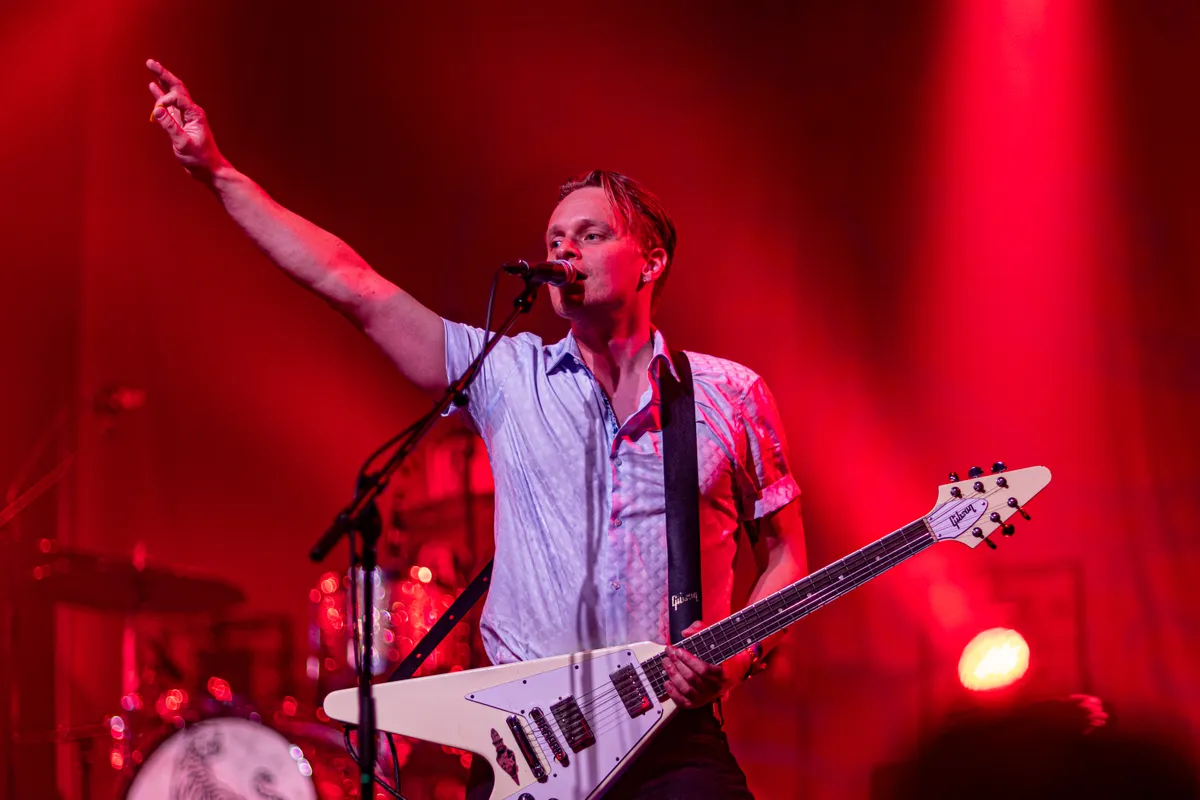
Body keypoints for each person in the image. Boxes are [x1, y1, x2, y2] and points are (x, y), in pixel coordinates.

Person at [146, 58, 808, 798]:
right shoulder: (507, 373)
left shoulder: (728, 394)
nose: (563, 251)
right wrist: (218, 172)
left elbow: (786, 552)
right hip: (534, 742)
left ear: (651, 262)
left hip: (673, 737)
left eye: (590, 235)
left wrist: (738, 654)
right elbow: (350, 282)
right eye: (555, 239)